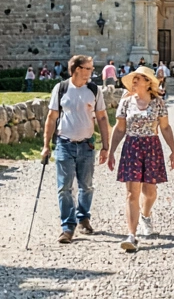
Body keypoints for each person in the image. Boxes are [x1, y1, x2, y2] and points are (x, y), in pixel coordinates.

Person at [41, 55, 112, 244]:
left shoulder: (94, 90)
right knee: (64, 187)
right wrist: (46, 145)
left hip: (87, 144)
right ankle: (67, 227)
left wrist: (106, 146)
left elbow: (102, 118)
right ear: (77, 69)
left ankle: (83, 218)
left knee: (86, 186)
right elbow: (51, 117)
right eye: (88, 68)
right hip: (64, 143)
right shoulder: (61, 88)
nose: (91, 71)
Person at [108, 66, 174, 253]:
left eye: (139, 78)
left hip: (152, 147)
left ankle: (145, 215)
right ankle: (131, 235)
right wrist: (111, 151)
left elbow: (165, 128)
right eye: (134, 78)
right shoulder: (126, 103)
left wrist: (173, 150)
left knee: (149, 191)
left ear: (148, 83)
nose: (135, 80)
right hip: (131, 147)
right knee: (132, 193)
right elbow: (120, 128)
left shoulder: (158, 103)